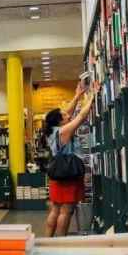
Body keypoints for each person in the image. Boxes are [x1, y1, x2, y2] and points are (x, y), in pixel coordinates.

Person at [44, 80, 96, 237]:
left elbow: (69, 112)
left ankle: (47, 241)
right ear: (60, 121)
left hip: (57, 175)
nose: (68, 114)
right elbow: (80, 116)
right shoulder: (63, 131)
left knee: (55, 209)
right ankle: (60, 243)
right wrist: (92, 97)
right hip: (68, 174)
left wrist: (77, 96)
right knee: (66, 211)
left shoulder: (53, 130)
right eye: (65, 115)